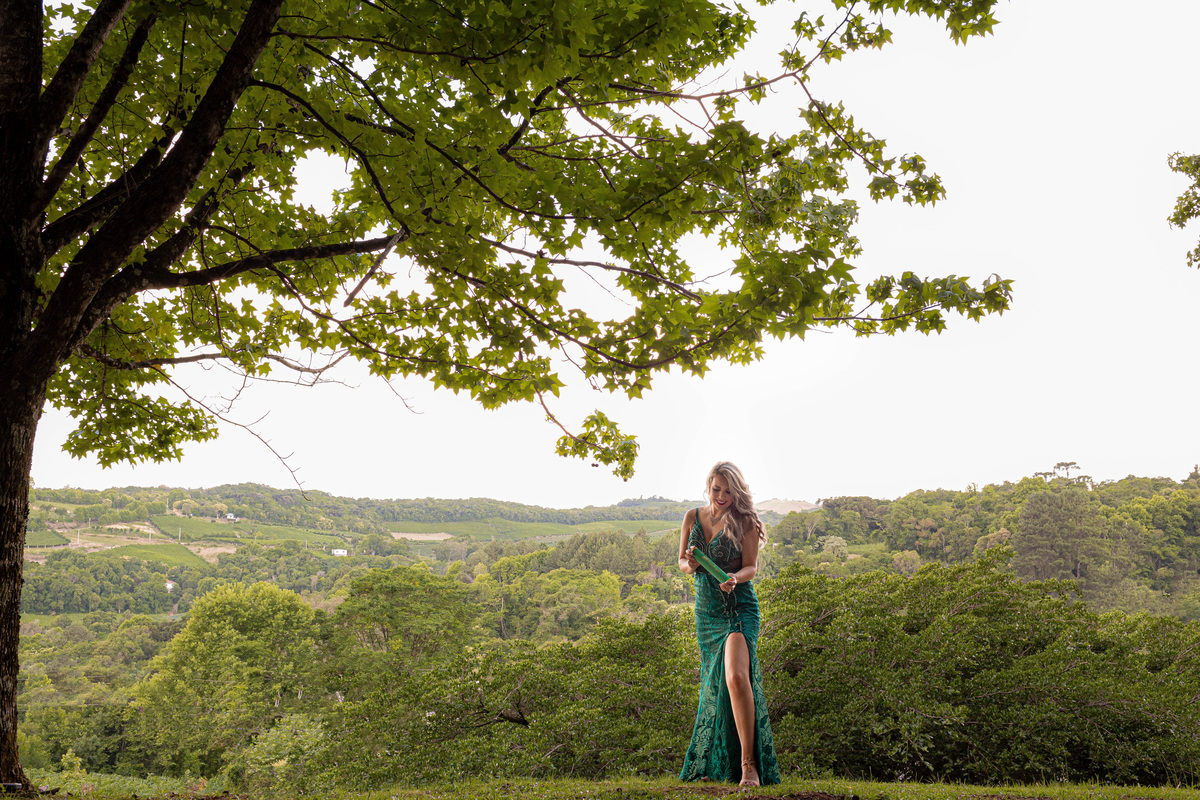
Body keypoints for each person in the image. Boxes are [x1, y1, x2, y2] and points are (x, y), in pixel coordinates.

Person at [677, 461, 780, 786]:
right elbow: (682, 562)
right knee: (715, 684)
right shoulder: (692, 517)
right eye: (716, 489)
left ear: (737, 493)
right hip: (707, 612)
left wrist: (734, 577)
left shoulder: (745, 521)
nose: (721, 496)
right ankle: (721, 765)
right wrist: (691, 564)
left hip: (738, 607)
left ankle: (749, 765)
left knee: (736, 677)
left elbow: (751, 567)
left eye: (728, 491)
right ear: (709, 486)